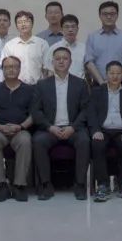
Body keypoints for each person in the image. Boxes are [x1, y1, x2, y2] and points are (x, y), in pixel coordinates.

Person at [31, 47, 91, 200]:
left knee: (84, 141)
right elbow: (36, 111)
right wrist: (50, 127)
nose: (61, 61)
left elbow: (86, 110)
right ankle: (46, 184)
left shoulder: (80, 83)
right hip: (50, 128)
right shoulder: (42, 84)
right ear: (52, 62)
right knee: (38, 141)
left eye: (65, 58)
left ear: (70, 62)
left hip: (73, 128)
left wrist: (73, 127)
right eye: (58, 59)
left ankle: (80, 184)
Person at [87, 61, 122, 202]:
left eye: (118, 73)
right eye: (112, 73)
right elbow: (91, 114)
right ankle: (102, 185)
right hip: (102, 130)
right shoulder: (97, 92)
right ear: (106, 74)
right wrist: (95, 130)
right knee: (97, 144)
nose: (115, 76)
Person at [0, 56, 35, 202]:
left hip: (20, 130)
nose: (11, 70)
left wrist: (21, 126)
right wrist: (0, 127)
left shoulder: (30, 90)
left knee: (25, 141)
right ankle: (0, 184)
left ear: (19, 69)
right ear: (2, 69)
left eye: (14, 67)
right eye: (7, 67)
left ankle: (20, 185)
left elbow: (33, 115)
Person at [85, 1, 122, 86]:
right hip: (98, 83)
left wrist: (116, 78)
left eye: (112, 14)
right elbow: (89, 61)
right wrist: (101, 82)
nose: (109, 17)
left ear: (117, 15)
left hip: (119, 83)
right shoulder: (92, 37)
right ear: (100, 16)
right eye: (105, 14)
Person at [0, 10, 47, 84]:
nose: (23, 24)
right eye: (20, 22)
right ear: (16, 26)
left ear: (32, 24)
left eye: (26, 21)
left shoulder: (42, 44)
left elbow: (47, 68)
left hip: (38, 86)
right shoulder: (9, 45)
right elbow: (4, 68)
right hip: (16, 86)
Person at [46, 14, 87, 80]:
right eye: (67, 27)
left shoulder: (85, 48)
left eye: (73, 26)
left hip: (80, 84)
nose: (70, 30)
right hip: (58, 84)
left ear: (77, 29)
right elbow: (50, 72)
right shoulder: (53, 48)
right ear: (61, 29)